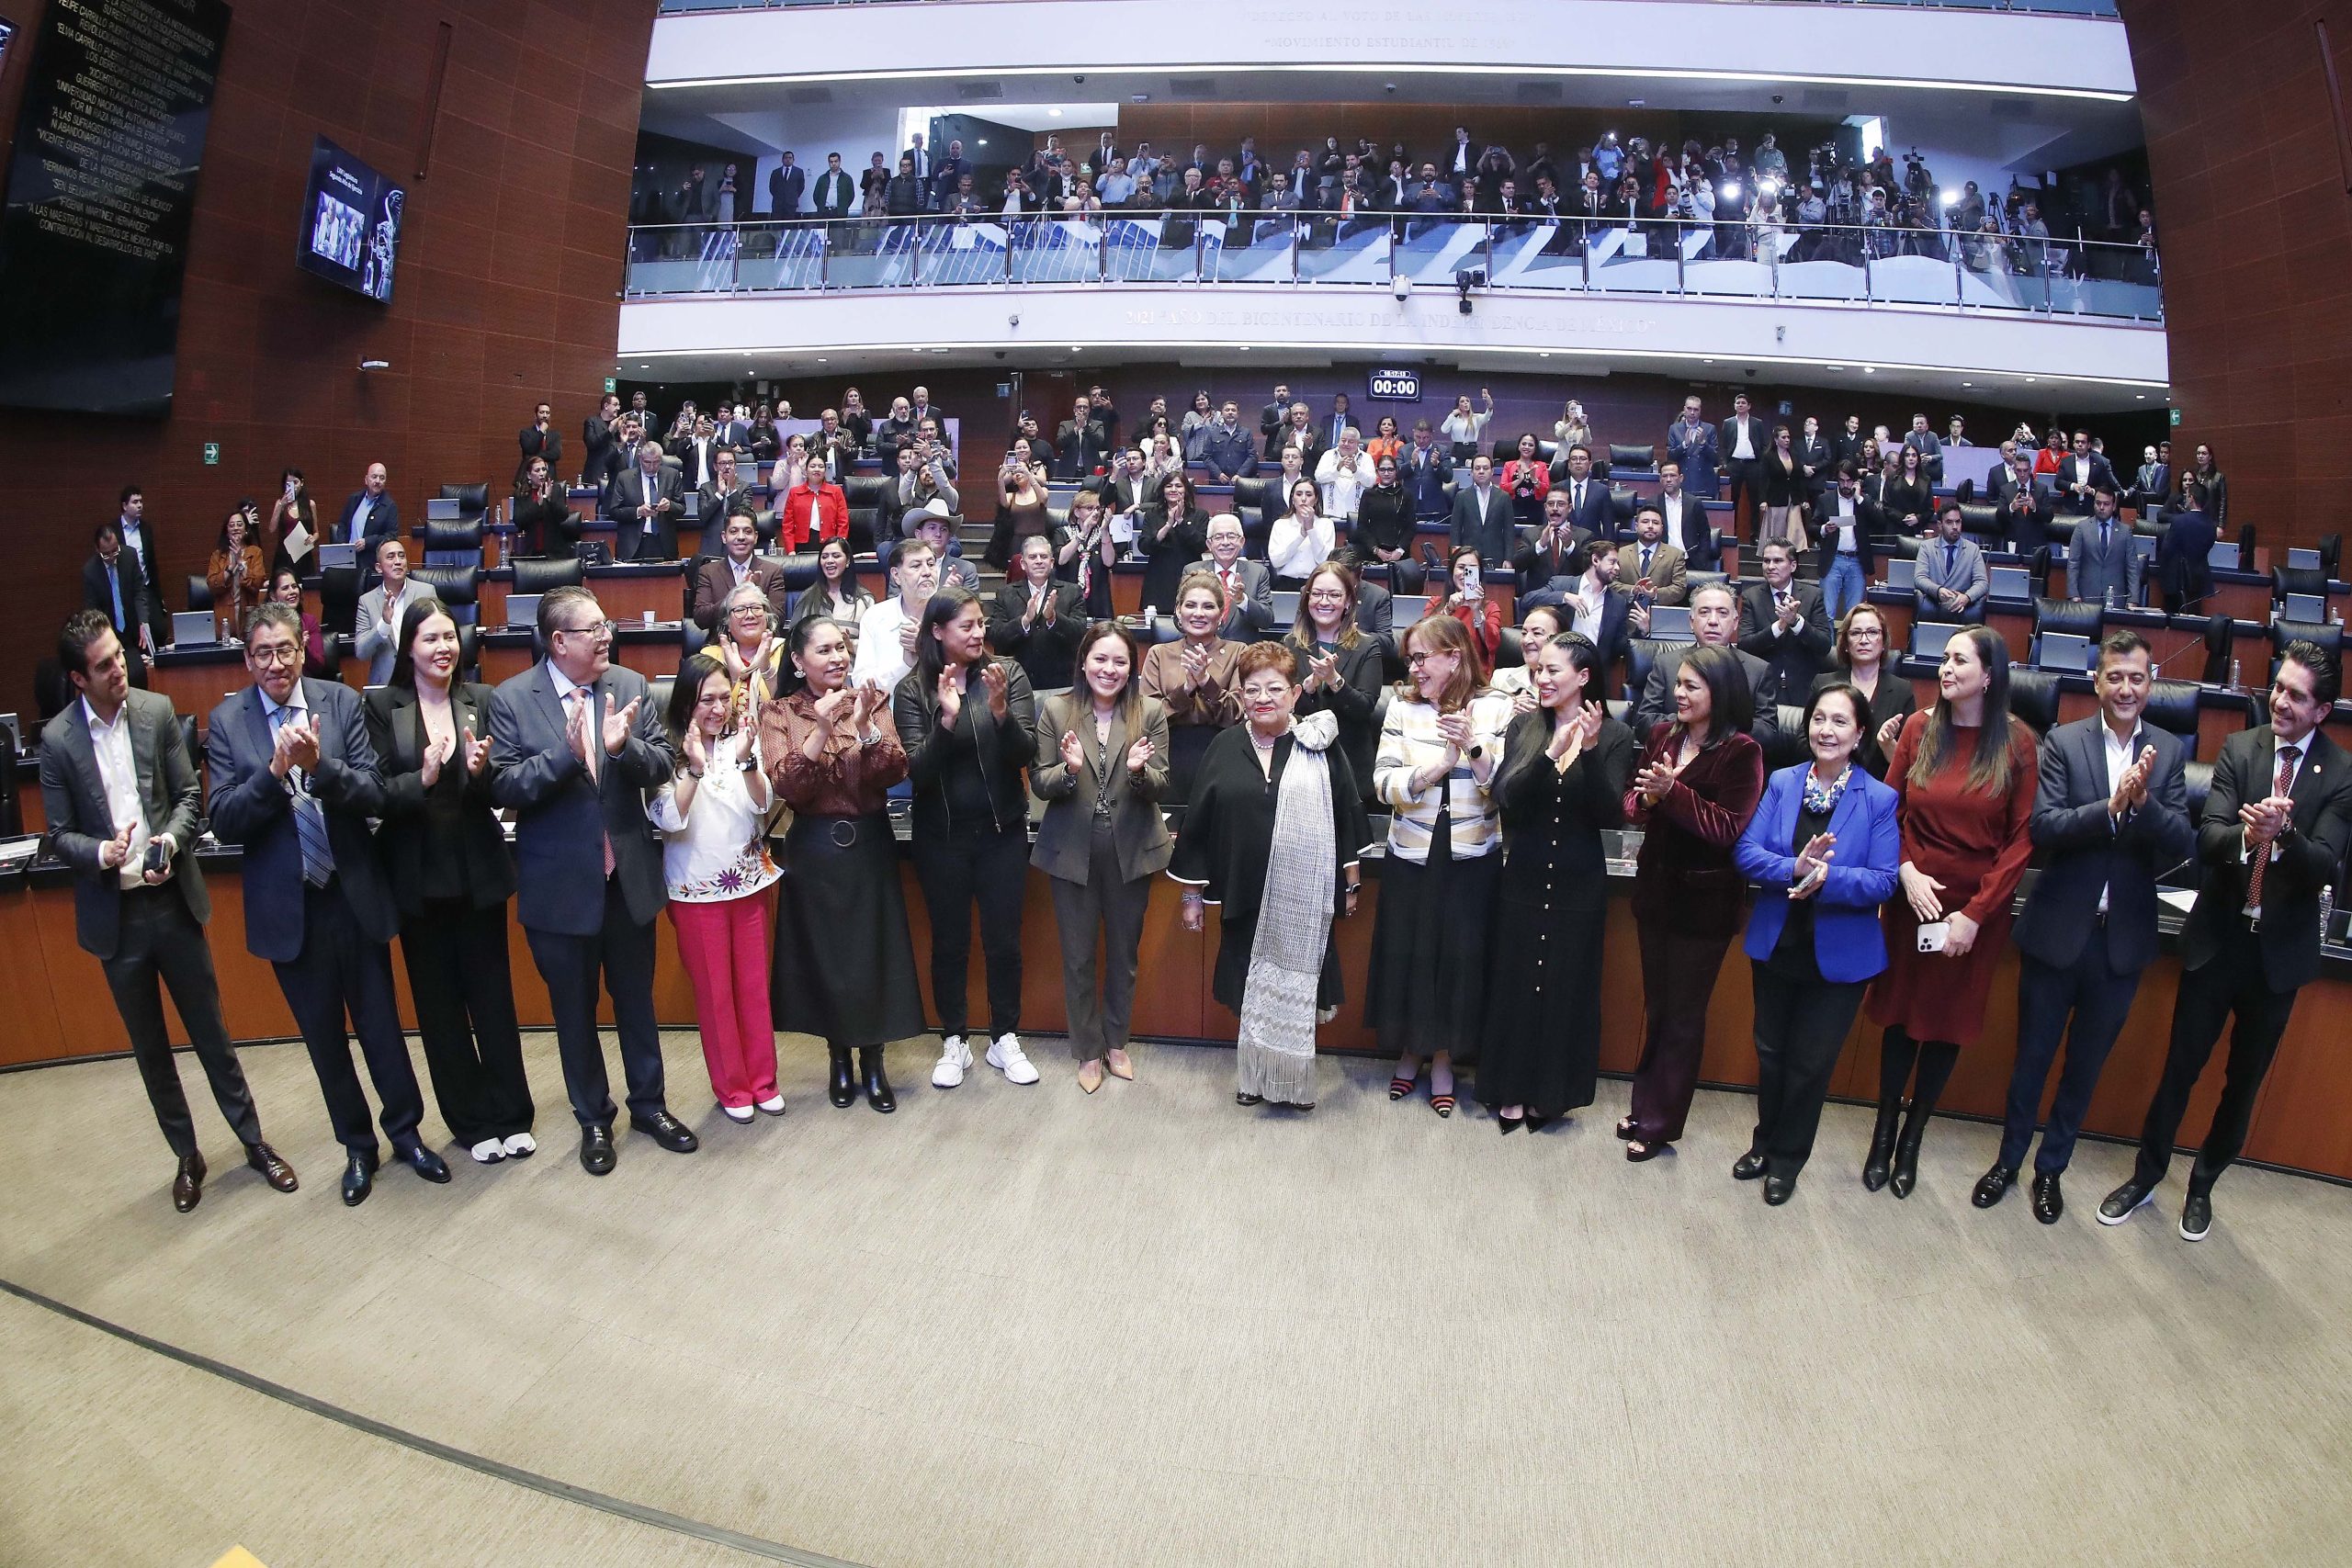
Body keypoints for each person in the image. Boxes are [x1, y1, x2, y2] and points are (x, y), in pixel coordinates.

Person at [40, 612, 298, 1213]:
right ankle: (186, 1154)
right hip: (115, 917)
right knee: (151, 1048)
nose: (119, 669)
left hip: (170, 901)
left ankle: (253, 1140)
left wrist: (172, 842)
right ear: (79, 678)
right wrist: (100, 851)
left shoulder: (155, 713)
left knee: (212, 1033)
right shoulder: (57, 741)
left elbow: (189, 798)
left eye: (119, 656)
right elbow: (56, 834)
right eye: (104, 666)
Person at [2103, 643, 2352, 1240]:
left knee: (2242, 1085)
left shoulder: (2341, 774)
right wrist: (2249, 832)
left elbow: (2326, 865)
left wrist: (2284, 832)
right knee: (2179, 1069)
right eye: (2279, 687)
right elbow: (2207, 839)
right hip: (2220, 940)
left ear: (2321, 710)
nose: (2280, 700)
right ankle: (2147, 1174)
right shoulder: (2243, 748)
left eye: (2296, 695)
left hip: (2279, 956)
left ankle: (2203, 1185)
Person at [206, 604, 445, 1205]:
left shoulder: (337, 702)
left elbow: (373, 789)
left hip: (351, 891)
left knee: (382, 1027)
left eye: (285, 649)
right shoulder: (227, 721)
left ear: (301, 647)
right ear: (247, 659)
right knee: (324, 1039)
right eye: (262, 652)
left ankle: (406, 1133)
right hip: (290, 909)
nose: (276, 663)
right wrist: (275, 770)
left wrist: (319, 768)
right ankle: (358, 1147)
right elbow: (224, 818)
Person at [1978, 630, 2193, 1223]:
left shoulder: (2171, 754)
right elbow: (2045, 828)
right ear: (2097, 682)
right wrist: (2112, 809)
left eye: (2137, 678)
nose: (2126, 688)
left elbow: (2184, 847)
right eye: (2115, 677)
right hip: (2057, 934)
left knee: (2083, 1069)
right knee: (2031, 1060)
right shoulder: (2064, 742)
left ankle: (2051, 1172)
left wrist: (2143, 804)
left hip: (2119, 945)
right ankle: (2008, 1160)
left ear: (2152, 686)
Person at [488, 586, 697, 1175]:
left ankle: (650, 1106)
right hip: (559, 888)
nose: (607, 635)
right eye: (594, 628)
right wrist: (570, 753)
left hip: (624, 879)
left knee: (637, 1002)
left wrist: (623, 746)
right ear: (559, 641)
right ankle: (594, 1120)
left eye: (607, 625)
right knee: (573, 1011)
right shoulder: (511, 700)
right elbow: (504, 786)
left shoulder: (629, 687)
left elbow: (663, 762)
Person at [1860, 625, 2038, 1197]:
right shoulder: (1918, 728)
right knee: (1901, 1019)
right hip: (1913, 901)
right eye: (1944, 658)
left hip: (1971, 915)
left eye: (1960, 660)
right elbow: (1886, 810)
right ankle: (1883, 1131)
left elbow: (2021, 840)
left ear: (1989, 675)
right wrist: (1906, 872)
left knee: (1944, 1027)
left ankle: (1913, 1137)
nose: (1947, 668)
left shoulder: (2016, 743)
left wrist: (1976, 914)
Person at [365, 601, 537, 1166]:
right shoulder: (382, 707)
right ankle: (470, 1121)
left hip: (475, 871)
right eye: (430, 639)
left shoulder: (481, 701)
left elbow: (497, 794)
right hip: (417, 876)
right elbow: (376, 795)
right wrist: (426, 776)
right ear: (407, 647)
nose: (443, 649)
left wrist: (480, 773)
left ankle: (512, 1115)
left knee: (492, 1000)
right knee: (439, 1009)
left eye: (449, 638)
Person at [1170, 643, 1371, 1110]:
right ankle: (1254, 1073)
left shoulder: (1317, 744)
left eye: (1275, 688)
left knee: (1299, 987)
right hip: (1243, 889)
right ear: (1240, 695)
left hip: (1303, 893)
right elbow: (1198, 824)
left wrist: (1352, 879)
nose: (1264, 697)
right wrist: (1192, 895)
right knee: (1248, 986)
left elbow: (1345, 812)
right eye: (1253, 689)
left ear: (1295, 692)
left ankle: (1295, 1078)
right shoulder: (1224, 746)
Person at [1731, 683, 1901, 1202]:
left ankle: (1787, 1158)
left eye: (1840, 722)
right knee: (1772, 1053)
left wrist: (1828, 877)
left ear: (1859, 734)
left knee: (1810, 1064)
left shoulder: (1878, 798)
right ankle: (1763, 1142)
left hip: (1839, 957)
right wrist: (1794, 867)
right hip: (1780, 944)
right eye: (1819, 719)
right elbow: (1746, 852)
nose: (1826, 730)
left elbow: (1884, 880)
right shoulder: (1782, 782)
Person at [762, 616, 922, 1112]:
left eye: (843, 648)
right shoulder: (778, 712)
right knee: (828, 961)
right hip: (814, 851)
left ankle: (873, 1063)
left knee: (872, 956)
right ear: (798, 661)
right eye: (826, 650)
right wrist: (823, 730)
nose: (838, 658)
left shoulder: (871, 700)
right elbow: (790, 785)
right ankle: (838, 1058)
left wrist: (865, 727)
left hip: (871, 845)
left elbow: (893, 769)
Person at [1476, 630, 1634, 1131]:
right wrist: (1549, 755)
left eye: (1552, 671)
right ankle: (1509, 1087)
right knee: (1516, 982)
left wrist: (1586, 751)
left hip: (1579, 880)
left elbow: (1611, 814)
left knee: (1566, 987)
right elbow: (1507, 797)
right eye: (1538, 669)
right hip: (1522, 875)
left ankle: (1551, 1092)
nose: (1541, 678)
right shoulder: (1525, 726)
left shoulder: (1615, 736)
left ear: (1583, 678)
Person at [1620, 643, 1767, 1160]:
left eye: (1691, 686)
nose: (1679, 694)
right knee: (1659, 1009)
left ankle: (1660, 1123)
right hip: (1655, 893)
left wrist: (1673, 794)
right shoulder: (1662, 735)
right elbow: (1633, 803)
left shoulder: (1742, 751)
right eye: (1677, 684)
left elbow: (1728, 828)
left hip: (1703, 905)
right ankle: (1644, 1105)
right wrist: (1650, 798)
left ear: (1719, 692)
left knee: (1683, 1016)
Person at [894, 587, 1040, 1091]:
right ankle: (954, 1039)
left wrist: (999, 711)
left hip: (1002, 834)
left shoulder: (1009, 675)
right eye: (967, 626)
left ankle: (1004, 1036)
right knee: (950, 944)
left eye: (981, 624)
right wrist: (947, 719)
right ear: (938, 632)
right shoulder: (913, 689)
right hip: (943, 839)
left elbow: (1023, 754)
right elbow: (917, 770)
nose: (980, 633)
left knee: (1004, 943)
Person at [1369, 614, 1512, 1119]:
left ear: (1455, 655)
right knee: (1411, 953)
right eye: (1411, 658)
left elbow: (1507, 786)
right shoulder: (1401, 707)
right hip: (1411, 851)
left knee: (1458, 957)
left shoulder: (1497, 707)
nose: (1415, 667)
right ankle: (1410, 1050)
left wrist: (1471, 747)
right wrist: (1437, 767)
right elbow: (1382, 783)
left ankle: (1446, 1059)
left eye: (1423, 657)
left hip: (1473, 855)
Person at [1032, 622, 1171, 1093]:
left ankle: (1117, 1043)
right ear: (1084, 662)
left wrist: (1138, 773)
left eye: (1119, 661)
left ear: (1131, 667)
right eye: (1100, 659)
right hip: (1071, 849)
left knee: (1124, 955)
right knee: (1077, 957)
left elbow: (1162, 782)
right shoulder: (1057, 709)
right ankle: (1087, 1051)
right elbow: (1040, 782)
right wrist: (1068, 772)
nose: (1109, 669)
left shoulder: (1149, 711)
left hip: (1131, 849)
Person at [650, 651, 783, 1123]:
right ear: (687, 703)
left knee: (752, 988)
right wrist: (694, 768)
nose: (717, 708)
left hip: (748, 884)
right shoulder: (664, 753)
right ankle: (732, 1088)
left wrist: (747, 761)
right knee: (715, 994)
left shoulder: (741, 743)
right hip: (694, 892)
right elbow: (669, 818)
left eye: (725, 697)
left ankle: (764, 1081)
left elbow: (763, 804)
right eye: (707, 699)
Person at [1140, 569, 1243, 801]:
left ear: (1221, 614)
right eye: (1191, 605)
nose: (1199, 613)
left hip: (1222, 755)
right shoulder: (1159, 653)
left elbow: (1236, 716)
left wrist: (1206, 682)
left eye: (1208, 607)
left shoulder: (1238, 652)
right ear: (1178, 610)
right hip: (1168, 754)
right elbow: (1147, 718)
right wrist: (1186, 690)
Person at [1634, 582, 1781, 745]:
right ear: (1691, 621)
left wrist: (1716, 724)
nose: (1713, 621)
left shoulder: (1757, 670)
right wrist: (1694, 721)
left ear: (1735, 622)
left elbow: (1768, 733)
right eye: (1704, 612)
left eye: (1722, 613)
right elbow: (1644, 725)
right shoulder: (1666, 664)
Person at [1285, 562, 1385, 797]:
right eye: (1317, 594)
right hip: (1302, 763)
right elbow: (1285, 710)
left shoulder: (1367, 646)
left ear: (1348, 601)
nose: (1324, 601)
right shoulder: (1289, 645)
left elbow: (1364, 708)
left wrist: (1334, 681)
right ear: (1307, 598)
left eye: (1334, 595)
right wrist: (1307, 688)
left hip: (1350, 766)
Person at [1815, 604, 1915, 779]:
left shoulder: (1902, 691)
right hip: (1830, 781)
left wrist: (1888, 744)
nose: (1864, 640)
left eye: (1872, 632)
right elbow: (1804, 744)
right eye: (1855, 633)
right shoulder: (1824, 684)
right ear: (1845, 643)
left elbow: (1908, 766)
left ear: (1883, 642)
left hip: (1879, 787)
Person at [1736, 538, 1835, 700]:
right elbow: (1744, 646)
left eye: (1778, 561)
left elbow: (1824, 645)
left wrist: (1796, 622)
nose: (1770, 566)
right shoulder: (1751, 597)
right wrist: (1778, 627)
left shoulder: (1813, 596)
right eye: (1766, 561)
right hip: (1764, 689)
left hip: (1803, 689)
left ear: (1793, 566)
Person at [987, 533, 1084, 692]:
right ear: (1023, 564)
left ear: (1052, 563)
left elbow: (1079, 634)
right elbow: (996, 637)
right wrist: (1024, 621)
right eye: (1033, 557)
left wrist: (1053, 618)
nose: (1039, 561)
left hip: (1061, 684)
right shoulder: (1005, 593)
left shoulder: (1072, 592)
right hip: (1018, 684)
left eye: (1043, 556)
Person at [692, 512, 789, 631]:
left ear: (756, 537)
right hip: (720, 643)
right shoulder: (708, 571)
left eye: (748, 532)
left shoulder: (772, 571)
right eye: (734, 531)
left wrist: (756, 595)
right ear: (724, 537)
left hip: (761, 643)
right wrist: (737, 594)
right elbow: (701, 619)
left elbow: (778, 619)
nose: (741, 537)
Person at [84, 521, 153, 686]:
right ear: (97, 549)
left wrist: (143, 621)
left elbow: (139, 591)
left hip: (133, 629)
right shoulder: (90, 571)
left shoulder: (129, 556)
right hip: (109, 631)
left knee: (140, 675)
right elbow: (93, 611)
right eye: (106, 554)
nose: (112, 556)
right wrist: (107, 636)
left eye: (115, 550)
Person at [1136, 472, 1210, 615]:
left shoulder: (1200, 515)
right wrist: (1168, 525)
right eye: (1169, 486)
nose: (1173, 490)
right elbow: (1144, 546)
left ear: (1186, 490)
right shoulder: (1152, 514)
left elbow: (1201, 545)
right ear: (1163, 490)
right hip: (1159, 580)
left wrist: (1181, 521)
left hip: (1189, 579)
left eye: (1178, 486)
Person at [353, 536, 421, 686]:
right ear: (378, 567)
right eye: (390, 557)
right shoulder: (367, 601)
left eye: (401, 556)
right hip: (385, 686)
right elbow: (361, 652)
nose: (398, 561)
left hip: (421, 681)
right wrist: (384, 624)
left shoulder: (426, 592)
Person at [1914, 502, 1989, 624]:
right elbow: (1919, 578)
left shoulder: (1973, 549)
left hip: (1962, 611)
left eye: (1958, 522)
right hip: (1934, 607)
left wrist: (1967, 597)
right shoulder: (1927, 547)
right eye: (1949, 522)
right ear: (1940, 525)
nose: (1955, 527)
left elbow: (1982, 583)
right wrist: (1938, 591)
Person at [605, 440, 681, 561]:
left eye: (656, 462)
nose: (652, 467)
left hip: (663, 543)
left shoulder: (672, 475)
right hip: (633, 544)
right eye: (647, 462)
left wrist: (670, 506)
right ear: (640, 459)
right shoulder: (624, 478)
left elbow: (681, 508)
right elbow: (614, 511)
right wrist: (638, 511)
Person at [791, 535, 874, 643]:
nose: (829, 561)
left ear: (848, 561)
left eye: (836, 556)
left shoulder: (865, 600)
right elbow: (793, 640)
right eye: (825, 557)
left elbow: (873, 644)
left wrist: (850, 645)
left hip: (851, 658)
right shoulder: (807, 597)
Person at [2152, 480, 2218, 615]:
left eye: (2187, 496)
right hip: (2198, 582)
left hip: (2177, 582)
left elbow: (2167, 550)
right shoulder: (2211, 525)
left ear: (2191, 498)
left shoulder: (2179, 521)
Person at [2068, 486, 2138, 608]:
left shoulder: (2125, 531)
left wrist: (2133, 599)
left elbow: (2132, 567)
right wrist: (2073, 593)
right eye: (2098, 503)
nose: (2101, 508)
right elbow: (2073, 563)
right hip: (2086, 598)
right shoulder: (2082, 528)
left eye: (2106, 504)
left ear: (2114, 506)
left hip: (2116, 598)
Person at [1438, 544, 1503, 673]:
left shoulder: (1490, 607)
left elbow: (1493, 645)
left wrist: (1477, 611)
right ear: (1452, 572)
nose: (1465, 574)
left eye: (1471, 569)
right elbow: (1427, 638)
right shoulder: (1435, 603)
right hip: (1441, 673)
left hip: (1475, 676)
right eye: (1461, 568)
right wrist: (1448, 610)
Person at [989, 446, 1053, 570]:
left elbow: (1043, 499)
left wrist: (1029, 474)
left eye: (1020, 470)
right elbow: (1003, 503)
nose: (1018, 474)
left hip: (1040, 540)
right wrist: (1000, 478)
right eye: (1014, 473)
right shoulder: (1011, 496)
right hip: (1017, 543)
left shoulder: (1042, 491)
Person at [206, 505, 265, 639]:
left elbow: (257, 584)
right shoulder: (217, 555)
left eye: (239, 524)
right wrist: (230, 568)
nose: (236, 528)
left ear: (246, 530)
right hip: (225, 615)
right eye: (231, 525)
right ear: (227, 531)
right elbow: (212, 585)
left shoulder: (255, 552)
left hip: (248, 611)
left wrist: (242, 563)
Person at [1448, 454, 1513, 567]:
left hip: (1495, 555)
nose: (1481, 471)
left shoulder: (1504, 497)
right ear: (1472, 472)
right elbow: (1455, 529)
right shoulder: (1462, 496)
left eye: (1485, 468)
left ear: (1492, 471)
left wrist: (1508, 558)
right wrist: (1456, 556)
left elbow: (1509, 531)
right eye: (1477, 468)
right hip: (1468, 555)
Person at [1615, 504, 1688, 606]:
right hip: (1626, 614)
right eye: (1645, 522)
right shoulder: (1621, 553)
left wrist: (1655, 594)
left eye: (1655, 523)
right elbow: (1611, 583)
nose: (1650, 526)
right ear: (1636, 526)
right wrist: (1633, 590)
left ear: (1662, 528)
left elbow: (1679, 588)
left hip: (1659, 615)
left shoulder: (1675, 555)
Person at [1269, 478, 1338, 583]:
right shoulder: (1280, 524)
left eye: (1309, 495)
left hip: (1316, 583)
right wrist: (1300, 536)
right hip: (1285, 583)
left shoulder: (1326, 524)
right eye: (1299, 494)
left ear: (1316, 500)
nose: (1304, 499)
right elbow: (1276, 561)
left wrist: (1311, 529)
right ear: (1292, 499)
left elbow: (1324, 561)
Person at [512, 455, 579, 559]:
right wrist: (537, 504)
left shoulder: (555, 490)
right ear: (529, 475)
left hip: (554, 553)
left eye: (544, 469)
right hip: (529, 553)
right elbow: (519, 520)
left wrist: (549, 499)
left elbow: (563, 515)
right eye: (537, 470)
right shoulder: (521, 494)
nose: (542, 473)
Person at [1759, 425, 1809, 551]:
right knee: (1777, 531)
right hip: (1776, 498)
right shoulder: (1768, 456)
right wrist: (1763, 500)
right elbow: (1763, 480)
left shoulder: (1793, 454)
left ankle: (1793, 554)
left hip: (1793, 498)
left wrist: (1804, 499)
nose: (1787, 440)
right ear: (1776, 440)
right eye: (1784, 437)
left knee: (1795, 529)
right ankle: (1776, 553)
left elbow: (1799, 479)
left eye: (1788, 437)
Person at [334, 462, 399, 556]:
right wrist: (342, 544)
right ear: (366, 480)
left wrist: (368, 542)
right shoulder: (354, 499)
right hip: (348, 557)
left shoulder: (389, 506)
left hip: (371, 560)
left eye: (382, 478)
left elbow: (391, 536)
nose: (377, 481)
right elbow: (342, 524)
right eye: (374, 477)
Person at [517, 401, 562, 485]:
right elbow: (529, 448)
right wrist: (541, 432)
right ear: (535, 415)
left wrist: (534, 455)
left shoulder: (555, 435)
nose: (545, 415)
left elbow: (556, 454)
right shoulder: (526, 433)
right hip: (529, 479)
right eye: (542, 412)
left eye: (547, 413)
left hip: (550, 477)